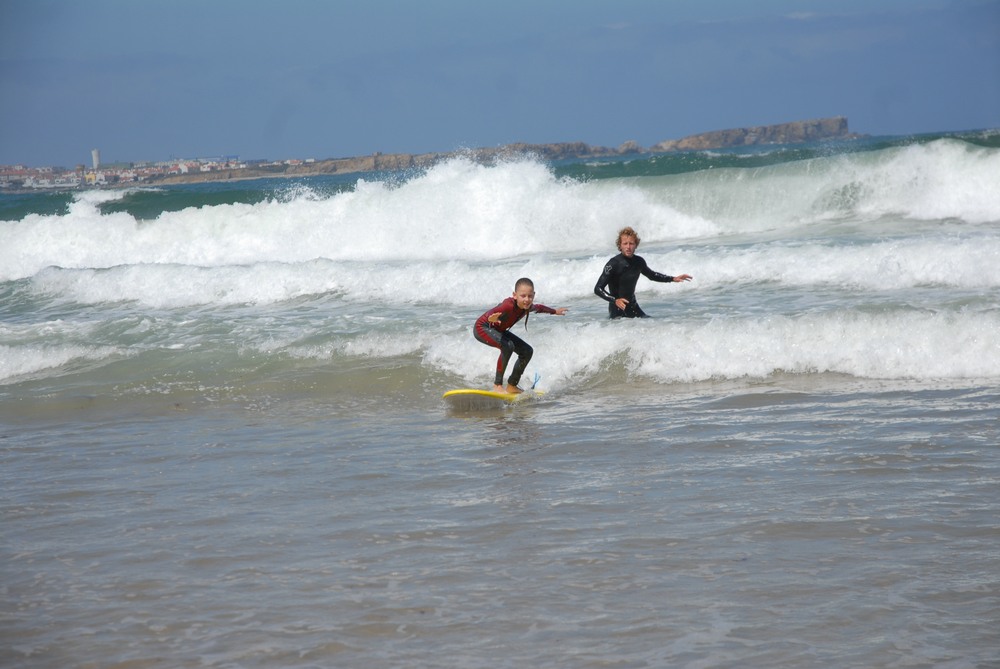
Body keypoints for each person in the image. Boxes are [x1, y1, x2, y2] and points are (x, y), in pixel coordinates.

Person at [474, 277, 568, 394]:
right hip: (482, 328)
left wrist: (555, 311)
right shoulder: (507, 305)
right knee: (507, 346)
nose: (527, 299)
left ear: (534, 295)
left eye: (530, 296)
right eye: (523, 296)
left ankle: (512, 385)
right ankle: (497, 385)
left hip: (499, 330)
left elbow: (539, 308)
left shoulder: (527, 306)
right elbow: (491, 314)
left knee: (527, 351)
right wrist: (491, 318)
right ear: (515, 295)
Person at [594, 226, 692, 318]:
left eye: (631, 243)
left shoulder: (639, 261)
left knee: (651, 324)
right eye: (625, 243)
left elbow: (652, 275)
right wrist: (615, 300)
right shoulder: (613, 264)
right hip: (618, 309)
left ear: (636, 245)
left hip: (633, 306)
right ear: (620, 245)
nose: (628, 247)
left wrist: (673, 278)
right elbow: (598, 289)